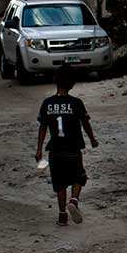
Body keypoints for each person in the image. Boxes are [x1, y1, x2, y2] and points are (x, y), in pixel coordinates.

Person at [34, 68, 98, 226]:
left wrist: (39, 149)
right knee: (79, 176)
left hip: (55, 150)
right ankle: (74, 200)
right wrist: (92, 139)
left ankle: (62, 215)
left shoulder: (47, 103)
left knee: (59, 183)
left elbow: (42, 127)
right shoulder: (76, 103)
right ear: (72, 83)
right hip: (73, 147)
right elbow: (85, 123)